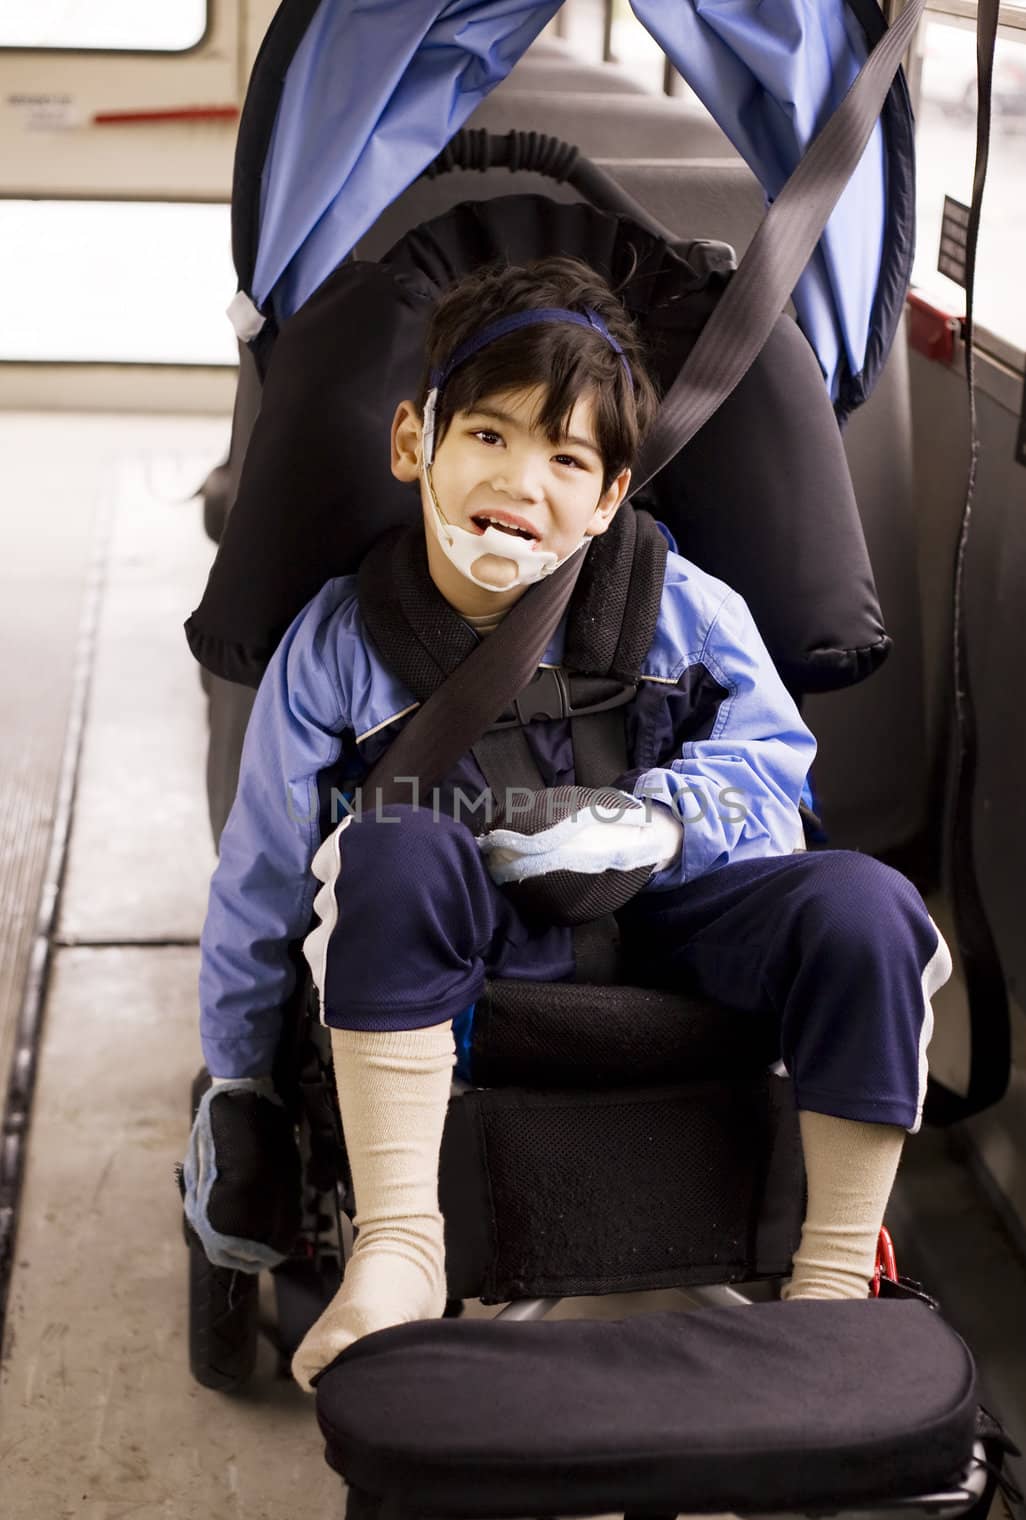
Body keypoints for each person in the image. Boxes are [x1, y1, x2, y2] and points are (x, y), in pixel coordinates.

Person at [183, 257, 953, 1394]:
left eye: (567, 456)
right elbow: (259, 878)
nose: (523, 479)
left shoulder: (683, 608)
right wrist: (238, 1082)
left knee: (867, 907)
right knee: (388, 848)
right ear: (414, 443)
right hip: (457, 969)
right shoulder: (342, 643)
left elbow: (774, 764)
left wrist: (661, 822)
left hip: (678, 937)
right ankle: (401, 1244)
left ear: (608, 497)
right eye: (488, 435)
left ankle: (834, 1277)